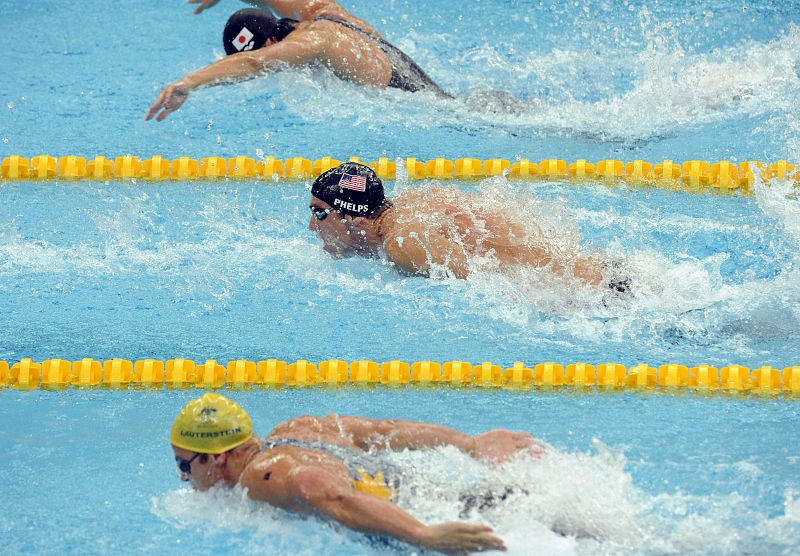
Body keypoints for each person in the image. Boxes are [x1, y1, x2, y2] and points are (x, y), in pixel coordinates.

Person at [171, 394, 543, 552]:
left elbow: (328, 493)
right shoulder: (297, 428)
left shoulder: (262, 475)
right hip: (469, 502)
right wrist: (470, 444)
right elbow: (384, 429)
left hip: (446, 527)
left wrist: (423, 534)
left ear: (216, 458)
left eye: (184, 465)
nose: (185, 479)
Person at [308, 162, 633, 293]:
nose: (312, 227)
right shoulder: (412, 202)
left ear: (359, 220)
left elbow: (489, 287)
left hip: (592, 294)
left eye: (320, 215)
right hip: (602, 271)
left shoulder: (403, 243)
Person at [146, 0, 451, 122]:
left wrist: (188, 82)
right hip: (436, 93)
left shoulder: (313, 42)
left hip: (432, 110)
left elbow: (254, 63)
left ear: (268, 44)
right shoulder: (320, 11)